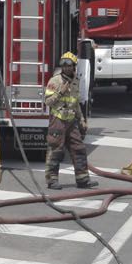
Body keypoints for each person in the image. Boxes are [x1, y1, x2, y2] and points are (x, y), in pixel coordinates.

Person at [44, 51, 97, 191]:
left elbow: (75, 103)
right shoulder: (55, 81)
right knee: (56, 149)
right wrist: (60, 92)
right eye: (64, 65)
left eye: (69, 65)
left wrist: (82, 120)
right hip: (58, 120)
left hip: (71, 120)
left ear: (74, 66)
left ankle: (83, 179)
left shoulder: (75, 81)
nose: (66, 67)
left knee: (78, 148)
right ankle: (52, 181)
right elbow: (48, 102)